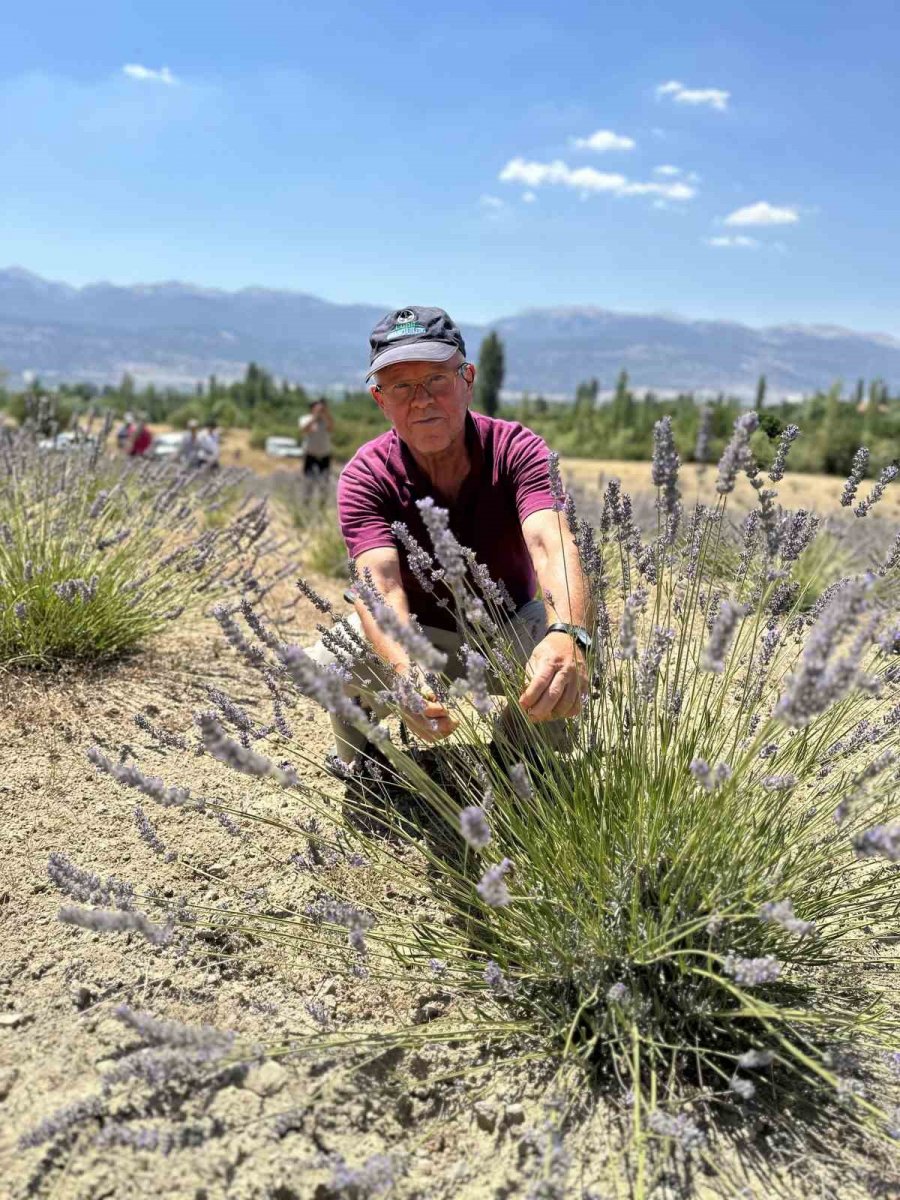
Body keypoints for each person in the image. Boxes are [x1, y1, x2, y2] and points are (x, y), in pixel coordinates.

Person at [307, 305, 591, 768]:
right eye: (401, 386)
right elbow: (380, 586)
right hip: (417, 636)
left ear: (467, 379)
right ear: (380, 399)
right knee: (329, 659)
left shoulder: (515, 449)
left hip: (506, 629)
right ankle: (368, 756)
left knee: (579, 645)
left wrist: (568, 634)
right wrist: (403, 671)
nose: (421, 400)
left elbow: (551, 543)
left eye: (436, 379)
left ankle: (519, 746)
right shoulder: (366, 474)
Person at [299, 399, 334, 477]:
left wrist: (325, 415)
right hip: (310, 453)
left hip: (324, 454)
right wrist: (314, 418)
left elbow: (331, 428)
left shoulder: (327, 420)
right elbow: (304, 430)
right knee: (308, 477)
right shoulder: (306, 418)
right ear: (312, 408)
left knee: (324, 477)